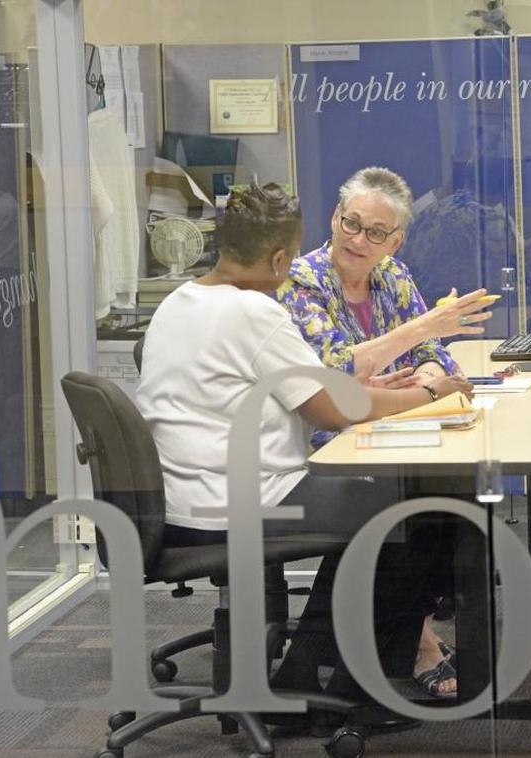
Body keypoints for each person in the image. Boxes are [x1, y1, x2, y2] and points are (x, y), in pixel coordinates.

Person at [135, 182, 471, 713]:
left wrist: (379, 389)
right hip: (238, 505)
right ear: (276, 257)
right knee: (419, 507)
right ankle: (340, 691)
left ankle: (307, 670)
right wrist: (425, 392)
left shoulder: (181, 301)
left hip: (176, 503)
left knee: (387, 498)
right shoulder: (255, 314)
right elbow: (335, 409)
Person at [276, 166, 493, 450]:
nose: (358, 240)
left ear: (395, 242)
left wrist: (424, 382)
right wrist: (426, 328)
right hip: (333, 448)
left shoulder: (393, 274)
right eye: (351, 223)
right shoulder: (299, 281)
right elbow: (335, 371)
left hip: (403, 429)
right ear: (334, 217)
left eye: (376, 232)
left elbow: (432, 352)